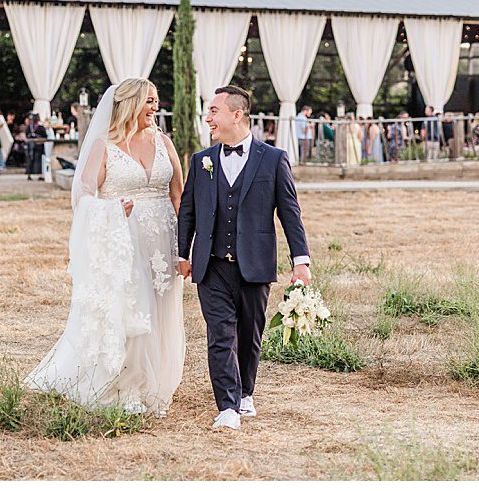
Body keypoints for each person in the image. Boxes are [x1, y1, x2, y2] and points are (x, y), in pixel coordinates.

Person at [24, 78, 185, 417]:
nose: (155, 108)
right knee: (133, 311)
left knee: (161, 308)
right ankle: (126, 384)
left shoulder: (164, 143)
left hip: (163, 243)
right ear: (128, 104)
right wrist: (110, 211)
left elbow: (178, 195)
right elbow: (83, 194)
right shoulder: (104, 145)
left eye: (156, 102)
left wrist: (186, 245)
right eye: (149, 102)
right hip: (122, 240)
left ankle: (155, 380)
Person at [177, 85, 310, 431]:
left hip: (255, 264)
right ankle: (227, 406)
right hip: (211, 265)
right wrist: (181, 253)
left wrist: (301, 261)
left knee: (250, 333)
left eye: (214, 111)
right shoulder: (200, 160)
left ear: (237, 115)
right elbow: (188, 212)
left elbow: (290, 214)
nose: (208, 118)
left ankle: (245, 392)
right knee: (219, 334)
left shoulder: (274, 159)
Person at [23, 114, 47, 180]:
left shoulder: (29, 127)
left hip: (30, 145)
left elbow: (26, 135)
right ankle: (39, 175)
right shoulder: (41, 127)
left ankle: (29, 175)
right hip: (39, 145)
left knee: (30, 159)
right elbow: (45, 136)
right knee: (38, 160)